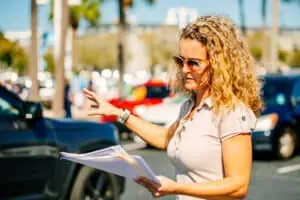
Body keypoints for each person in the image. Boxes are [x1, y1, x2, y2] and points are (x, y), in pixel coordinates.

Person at [83, 15, 263, 200]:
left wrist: (176, 188)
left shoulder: (231, 112)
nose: (184, 69)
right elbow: (164, 138)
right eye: (180, 61)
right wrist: (118, 113)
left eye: (193, 63)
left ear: (219, 65)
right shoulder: (189, 106)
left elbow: (238, 185)